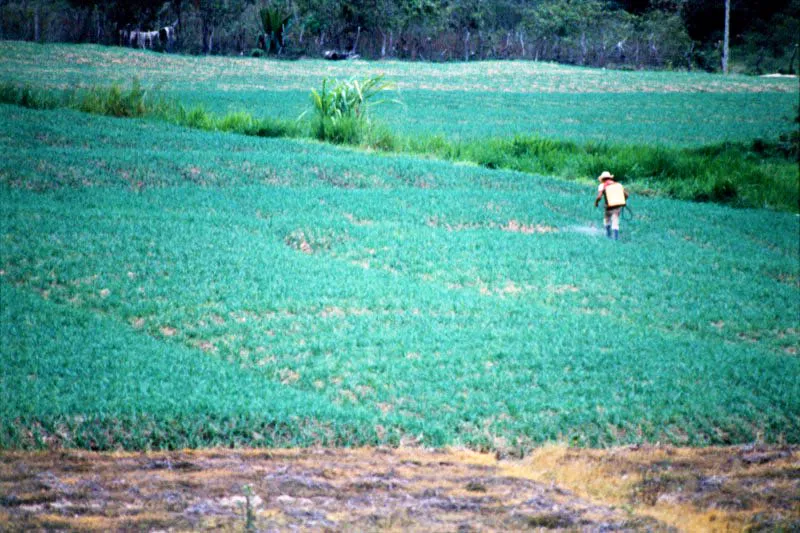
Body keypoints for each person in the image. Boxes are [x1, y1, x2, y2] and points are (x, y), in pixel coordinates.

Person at [594, 171, 629, 240]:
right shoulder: (618, 185)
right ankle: (616, 237)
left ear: (602, 179)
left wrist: (596, 202)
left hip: (608, 206)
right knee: (615, 219)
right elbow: (626, 195)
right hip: (617, 206)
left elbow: (599, 197)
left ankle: (608, 234)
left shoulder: (602, 185)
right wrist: (622, 201)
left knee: (607, 219)